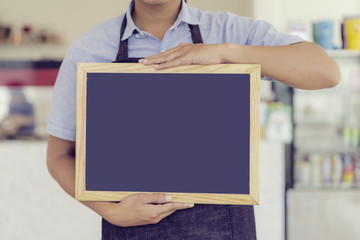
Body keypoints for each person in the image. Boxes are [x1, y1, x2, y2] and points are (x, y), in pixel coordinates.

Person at [46, 0, 340, 239]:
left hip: (224, 229)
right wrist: (110, 211)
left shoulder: (229, 31)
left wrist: (225, 53)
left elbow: (326, 71)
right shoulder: (90, 49)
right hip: (129, 230)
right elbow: (59, 156)